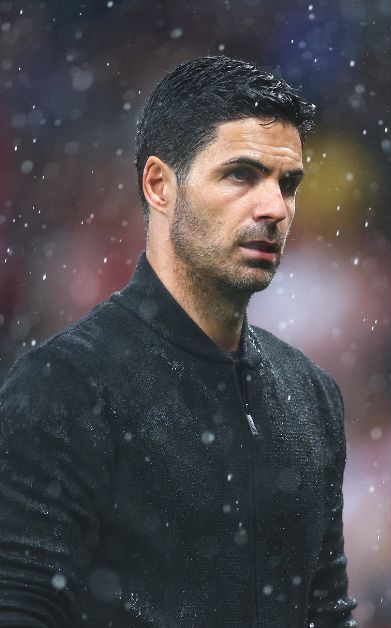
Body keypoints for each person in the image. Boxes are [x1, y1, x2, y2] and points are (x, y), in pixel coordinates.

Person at [0, 56, 354, 625]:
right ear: (160, 185)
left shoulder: (311, 395)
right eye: (240, 174)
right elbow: (19, 605)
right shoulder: (64, 385)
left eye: (287, 183)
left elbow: (326, 612)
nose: (275, 208)